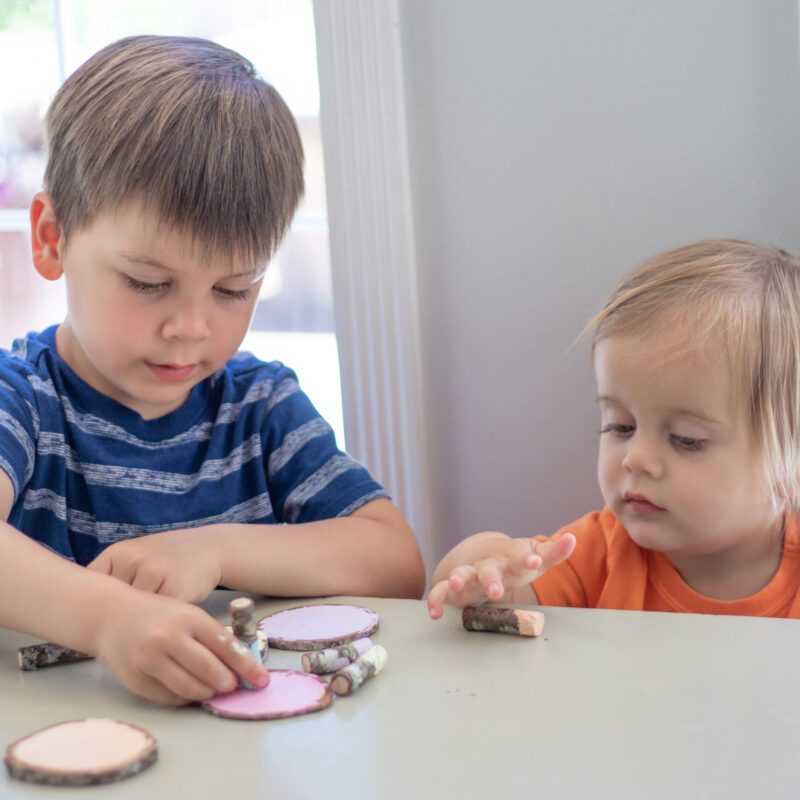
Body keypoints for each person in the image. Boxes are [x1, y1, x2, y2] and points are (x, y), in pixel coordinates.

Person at [0, 35, 425, 705]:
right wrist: (109, 618)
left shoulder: (259, 406)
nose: (192, 329)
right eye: (147, 282)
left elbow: (396, 563)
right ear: (53, 238)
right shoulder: (21, 398)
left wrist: (214, 550)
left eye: (233, 290)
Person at [429, 239, 800, 620]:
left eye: (686, 439)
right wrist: (485, 566)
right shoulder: (598, 553)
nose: (635, 459)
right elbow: (479, 597)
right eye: (620, 426)